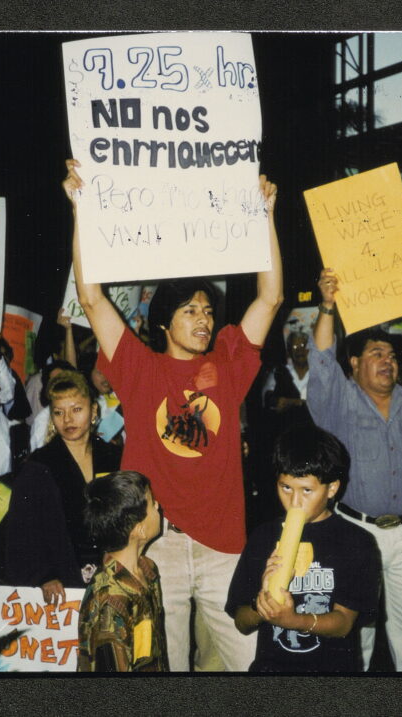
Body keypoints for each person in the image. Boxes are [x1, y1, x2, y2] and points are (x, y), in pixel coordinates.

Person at [63, 158, 283, 671]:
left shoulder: (228, 366)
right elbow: (91, 299)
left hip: (224, 546)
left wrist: (265, 215)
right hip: (155, 544)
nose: (204, 320)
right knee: (166, 670)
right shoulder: (140, 368)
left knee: (247, 663)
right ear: (162, 323)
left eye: (208, 310)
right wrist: (81, 211)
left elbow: (270, 297)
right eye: (190, 311)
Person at [307, 269, 402, 672]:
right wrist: (327, 307)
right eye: (376, 354)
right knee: (355, 630)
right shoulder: (337, 402)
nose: (387, 361)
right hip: (354, 529)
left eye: (391, 356)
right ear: (355, 363)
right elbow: (322, 361)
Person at [225, 425, 380, 672]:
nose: (294, 502)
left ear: (332, 488)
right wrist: (262, 605)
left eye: (306, 490)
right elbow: (242, 622)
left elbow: (343, 624)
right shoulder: (263, 536)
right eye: (286, 488)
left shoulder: (356, 541)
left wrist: (294, 621)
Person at [4, 371, 122, 601]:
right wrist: (43, 576)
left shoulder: (114, 457)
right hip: (62, 579)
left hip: (114, 574)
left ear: (94, 411)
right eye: (59, 412)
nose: (68, 420)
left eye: (76, 409)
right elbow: (21, 532)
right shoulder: (39, 465)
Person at [77, 471, 168, 672]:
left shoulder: (148, 570)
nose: (158, 506)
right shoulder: (110, 602)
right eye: (152, 503)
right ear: (139, 530)